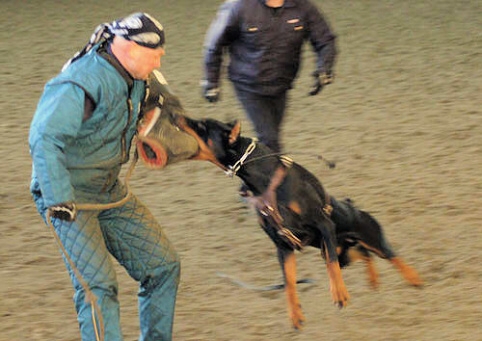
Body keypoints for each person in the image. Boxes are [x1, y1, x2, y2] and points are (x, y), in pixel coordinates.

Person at [29, 13, 180, 341]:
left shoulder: (139, 75)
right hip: (68, 196)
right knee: (98, 287)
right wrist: (58, 199)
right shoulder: (81, 82)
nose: (161, 56)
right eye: (156, 52)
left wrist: (153, 125)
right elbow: (44, 137)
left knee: (163, 266)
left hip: (108, 189)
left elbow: (167, 105)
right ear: (132, 49)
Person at [202, 0, 337, 156]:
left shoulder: (303, 8)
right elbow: (215, 44)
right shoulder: (239, 7)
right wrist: (211, 81)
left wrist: (324, 69)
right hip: (248, 85)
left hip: (281, 84)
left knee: (271, 138)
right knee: (269, 140)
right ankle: (277, 178)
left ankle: (252, 179)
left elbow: (325, 40)